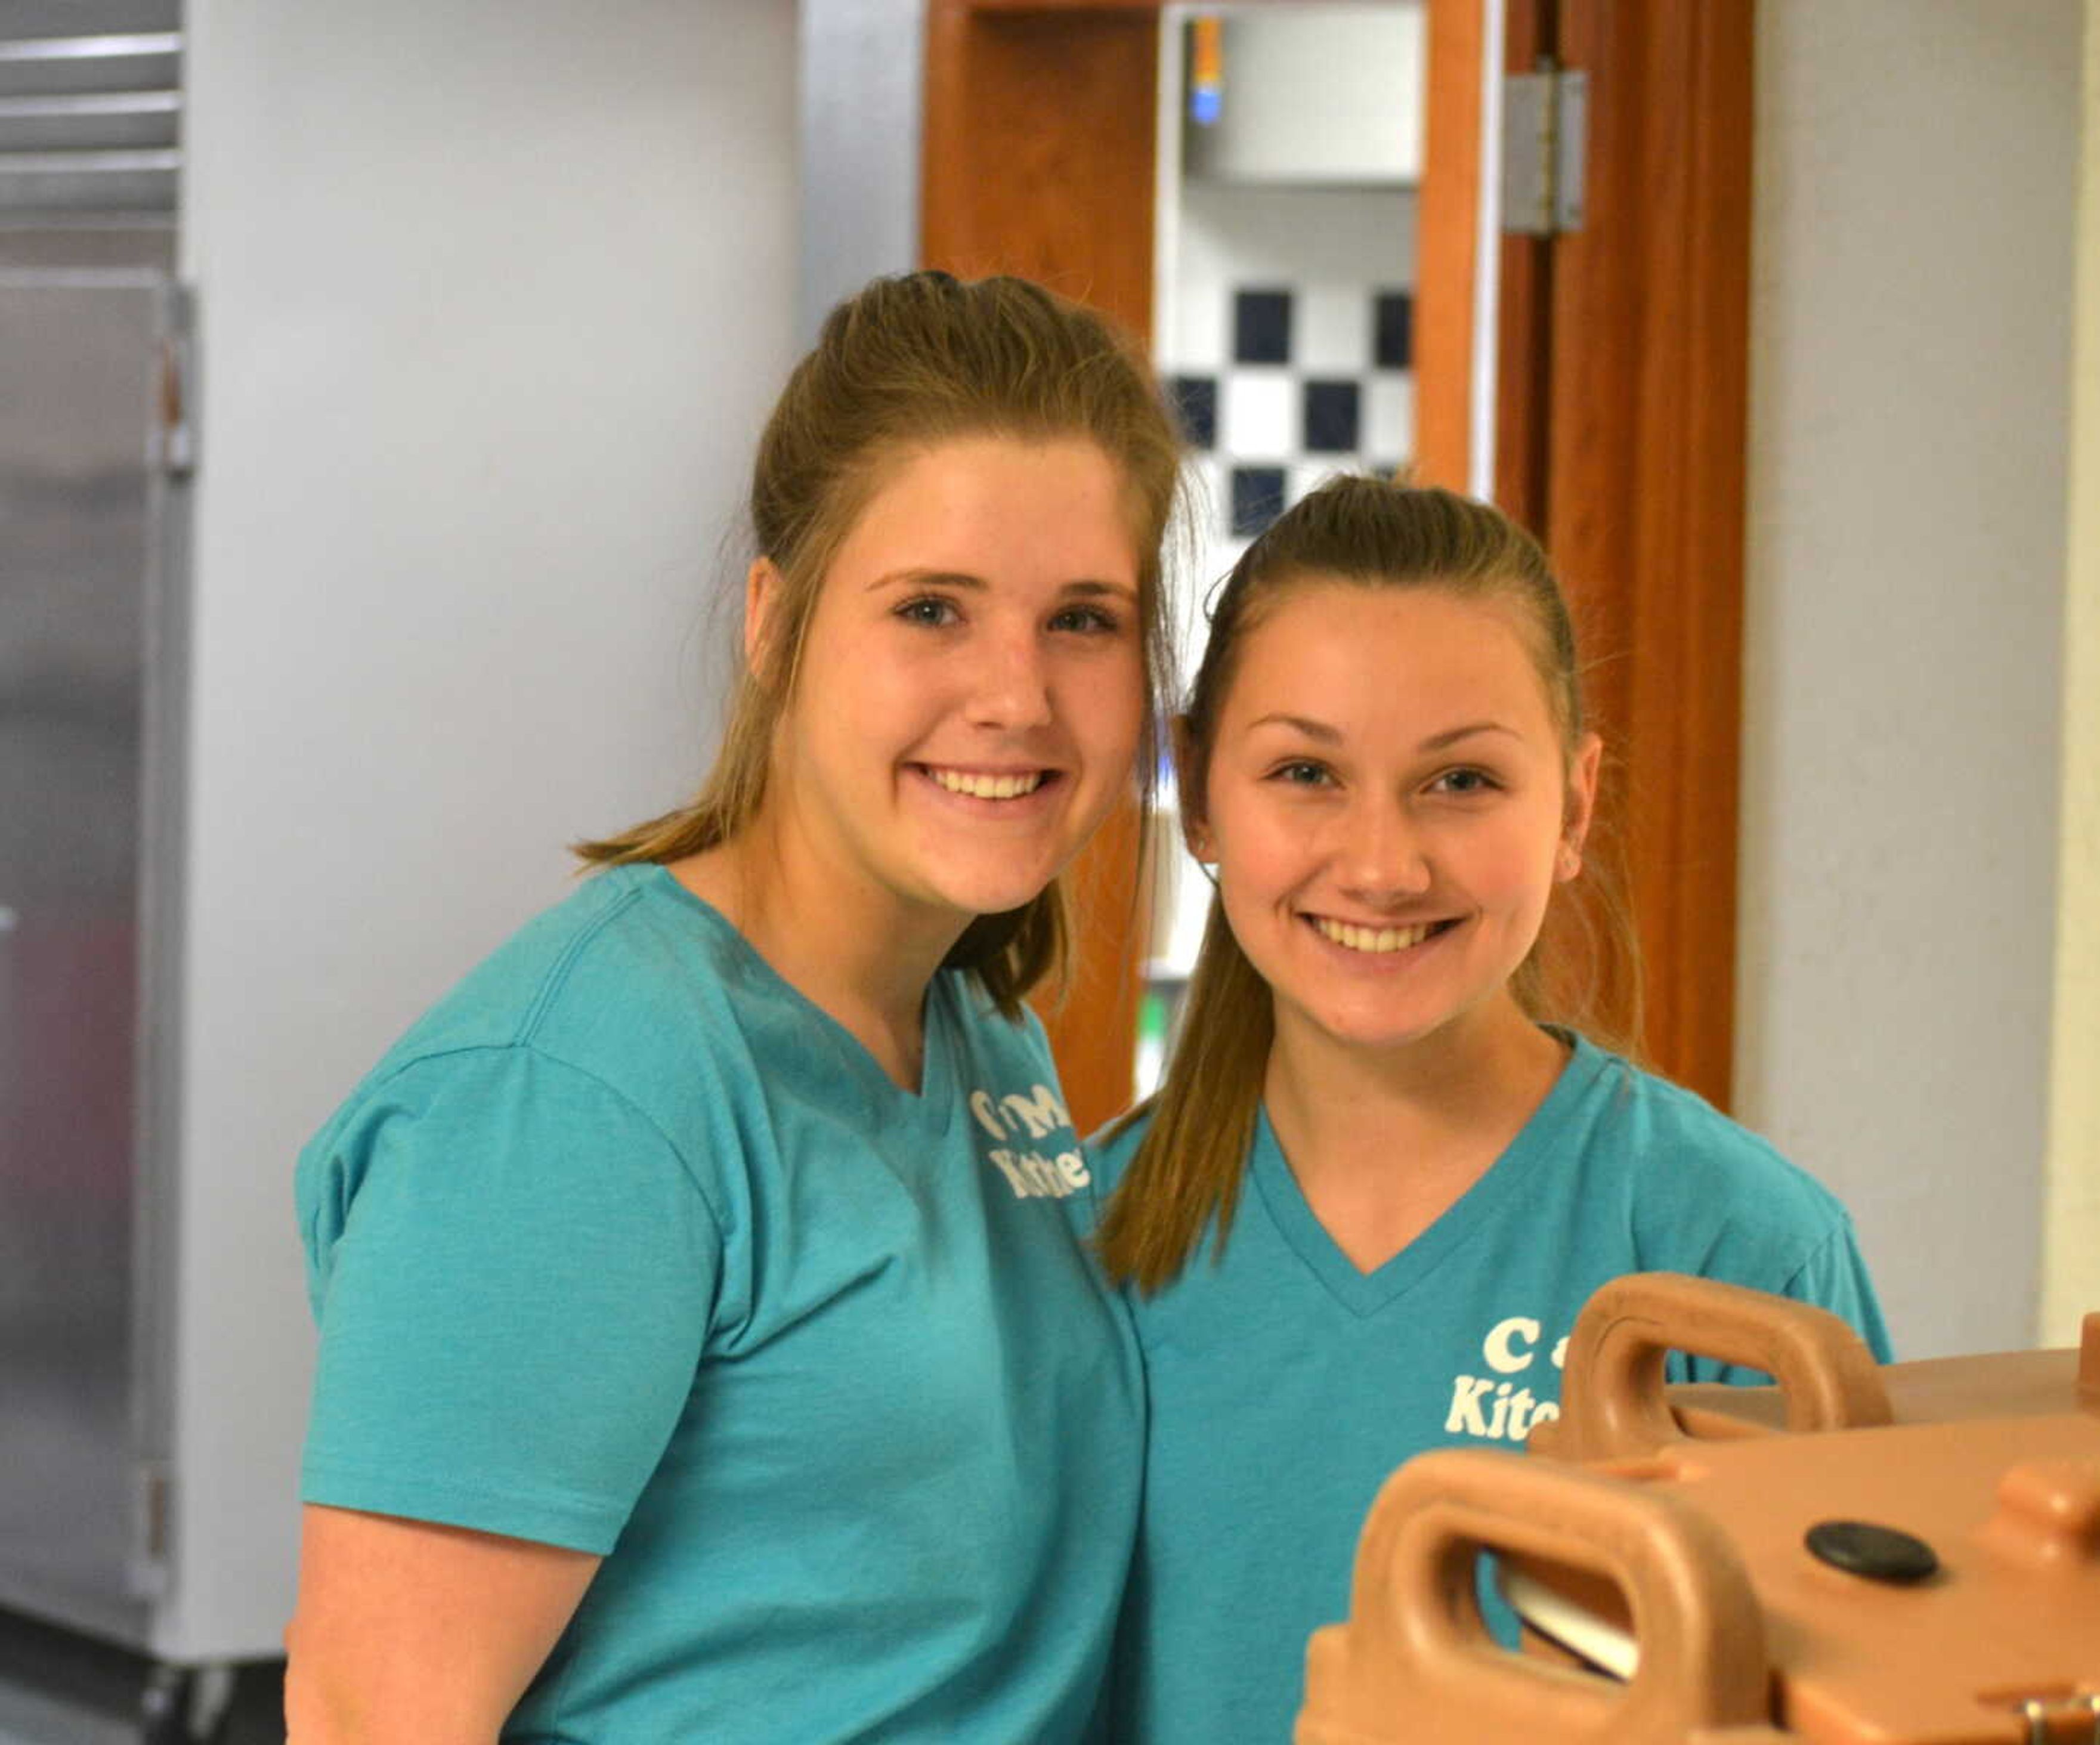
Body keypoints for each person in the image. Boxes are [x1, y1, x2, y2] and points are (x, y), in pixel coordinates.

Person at [285, 272, 1182, 1743]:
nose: (1017, 692)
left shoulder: (973, 1028)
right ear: (776, 622)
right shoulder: (585, 1087)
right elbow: (374, 1711)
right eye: (933, 609)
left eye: (1082, 619)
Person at [1090, 475, 1892, 1742]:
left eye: (1460, 781)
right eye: (1306, 769)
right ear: (1198, 791)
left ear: (1573, 805)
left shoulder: (1739, 1254)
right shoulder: (1090, 1243)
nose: (1383, 865)